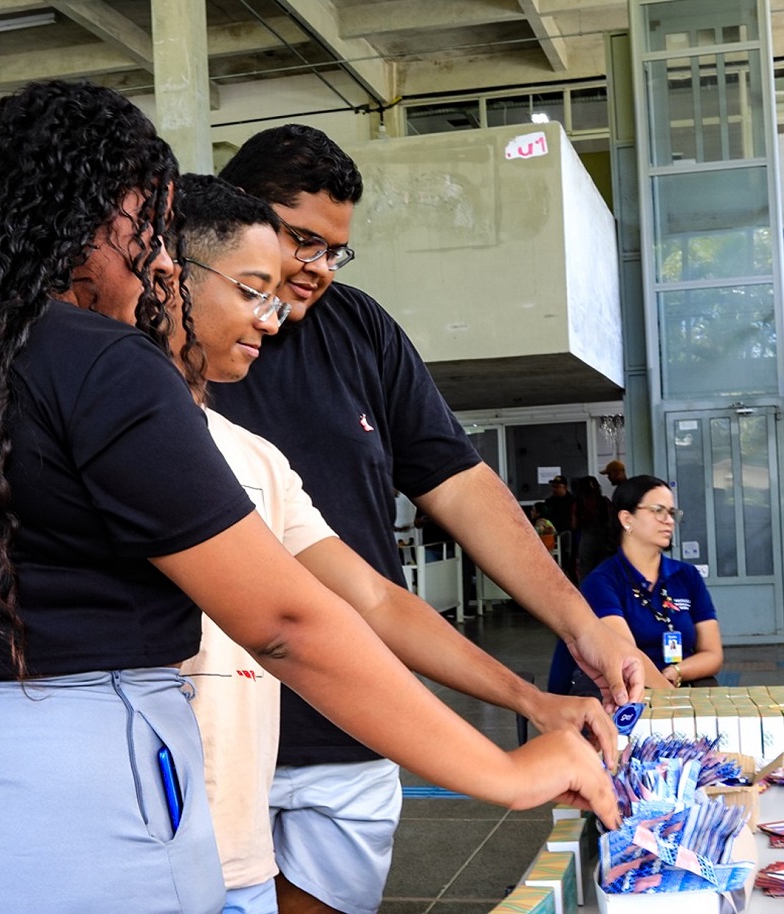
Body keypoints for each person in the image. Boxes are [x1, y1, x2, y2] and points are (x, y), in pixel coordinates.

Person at [0, 82, 618, 914]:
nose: (162, 263)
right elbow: (286, 622)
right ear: (81, 219)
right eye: (148, 231)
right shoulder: (100, 362)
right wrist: (506, 772)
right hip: (73, 799)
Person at [215, 124, 657, 914]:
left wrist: (576, 631)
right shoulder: (161, 390)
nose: (313, 273)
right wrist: (512, 756)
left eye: (334, 252)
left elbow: (391, 576)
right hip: (210, 718)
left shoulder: (354, 338)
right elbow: (285, 620)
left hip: (350, 719)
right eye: (301, 243)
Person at [555, 475, 723, 692]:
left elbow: (712, 654)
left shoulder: (686, 575)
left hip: (678, 684)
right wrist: (675, 702)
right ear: (627, 519)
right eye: (657, 510)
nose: (669, 520)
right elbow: (626, 657)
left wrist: (678, 672)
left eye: (671, 513)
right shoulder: (603, 581)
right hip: (623, 691)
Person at [574, 475, 615, 580]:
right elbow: (612, 520)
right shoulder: (605, 502)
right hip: (605, 538)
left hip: (586, 537)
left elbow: (574, 524)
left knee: (586, 570)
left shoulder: (579, 504)